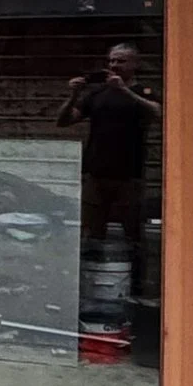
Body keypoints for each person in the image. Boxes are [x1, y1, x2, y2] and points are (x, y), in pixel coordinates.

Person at [57, 42, 162, 309]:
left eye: (121, 61)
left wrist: (125, 90)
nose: (115, 66)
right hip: (96, 173)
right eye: (112, 61)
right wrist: (73, 94)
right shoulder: (98, 93)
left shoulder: (142, 91)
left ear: (135, 63)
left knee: (133, 234)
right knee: (92, 232)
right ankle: (91, 285)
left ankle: (138, 288)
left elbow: (159, 113)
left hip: (129, 175)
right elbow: (64, 120)